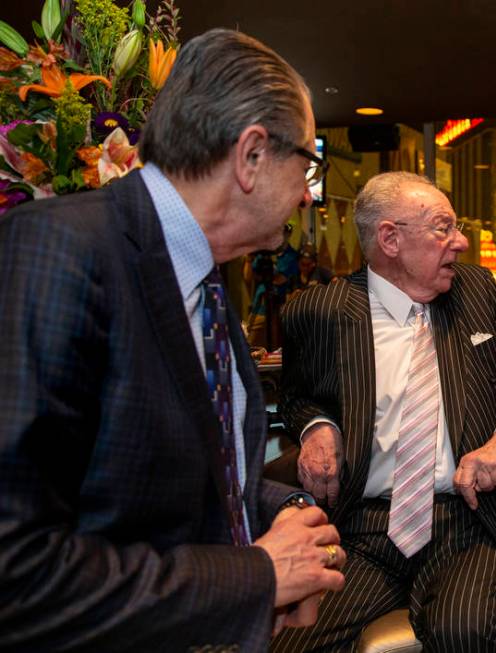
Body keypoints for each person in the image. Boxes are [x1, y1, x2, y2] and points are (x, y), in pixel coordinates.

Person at [0, 29, 346, 652]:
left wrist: (281, 514)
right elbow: (17, 573)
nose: (305, 194)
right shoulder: (62, 252)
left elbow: (162, 486)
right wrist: (259, 575)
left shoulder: (206, 279)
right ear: (251, 156)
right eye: (307, 166)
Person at [272, 171, 496, 652]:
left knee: (466, 628)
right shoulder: (320, 311)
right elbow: (296, 395)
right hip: (367, 528)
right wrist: (316, 427)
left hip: (471, 521)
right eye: (443, 228)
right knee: (293, 643)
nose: (461, 242)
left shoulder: (476, 292)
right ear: (390, 238)